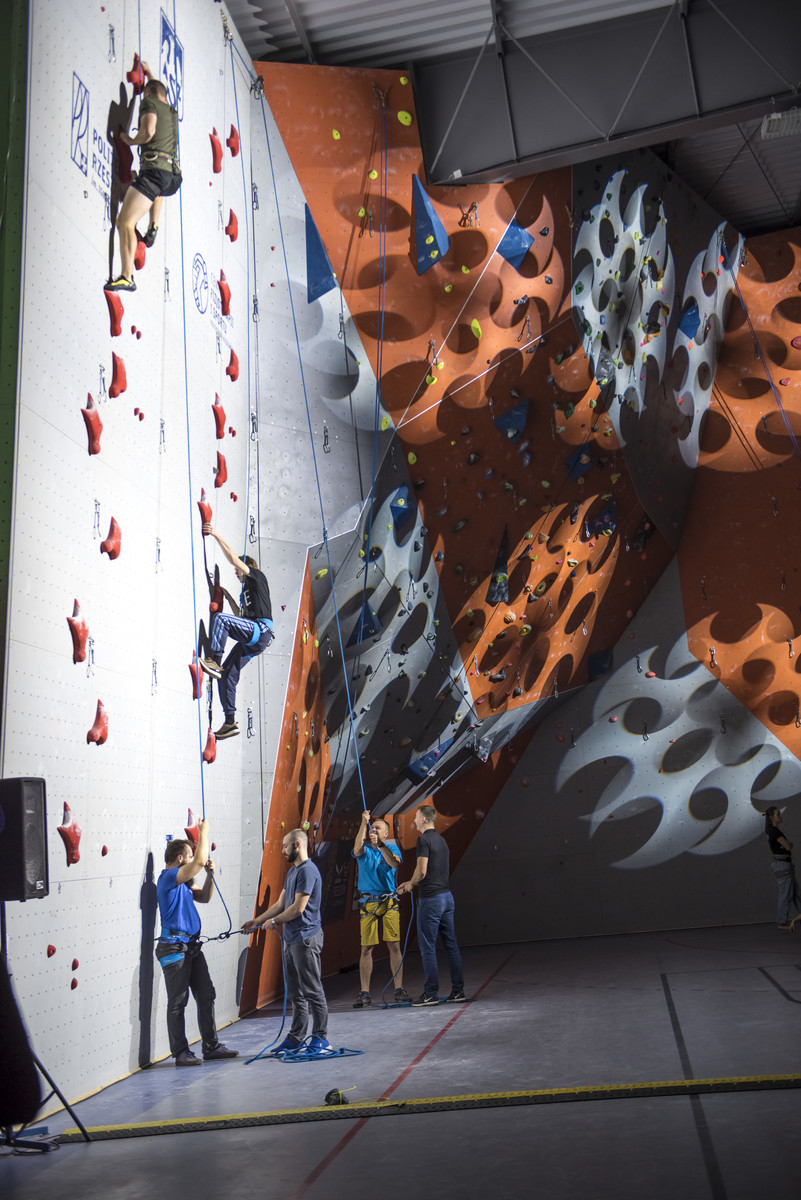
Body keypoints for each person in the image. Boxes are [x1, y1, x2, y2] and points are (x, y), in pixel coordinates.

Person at [155, 818, 238, 1066]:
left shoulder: (184, 882)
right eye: (189, 857)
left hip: (190, 947)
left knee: (206, 995)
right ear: (180, 858)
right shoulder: (168, 877)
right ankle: (181, 1052)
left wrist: (210, 876)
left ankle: (211, 1047)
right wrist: (203, 833)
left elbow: (204, 897)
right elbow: (200, 861)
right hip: (174, 948)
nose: (194, 861)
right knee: (178, 1001)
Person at [242, 828, 332, 1054]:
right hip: (291, 940)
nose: (282, 850)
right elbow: (281, 904)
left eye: (285, 846)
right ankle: (296, 1037)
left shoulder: (307, 871)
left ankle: (320, 1038)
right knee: (295, 993)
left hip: (305, 939)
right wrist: (257, 921)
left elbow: (298, 908)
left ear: (297, 845)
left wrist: (275, 921)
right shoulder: (293, 872)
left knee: (312, 990)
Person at [106, 65, 182, 292]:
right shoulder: (171, 111)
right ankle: (153, 225)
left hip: (154, 173)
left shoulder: (149, 103)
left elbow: (148, 132)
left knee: (124, 222)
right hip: (172, 177)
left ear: (148, 94)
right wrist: (149, 75)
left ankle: (126, 277)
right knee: (156, 190)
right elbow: (158, 91)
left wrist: (129, 141)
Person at [201, 523, 274, 741]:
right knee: (227, 676)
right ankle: (230, 722)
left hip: (260, 630)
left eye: (238, 571)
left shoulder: (257, 576)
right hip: (255, 639)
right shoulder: (247, 594)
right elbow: (240, 617)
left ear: (247, 566)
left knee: (221, 620)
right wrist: (227, 595)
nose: (236, 574)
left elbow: (234, 559)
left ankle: (214, 661)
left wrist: (216, 533)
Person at [397, 805, 465, 1006]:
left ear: (424, 819)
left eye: (416, 817)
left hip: (431, 900)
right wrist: (411, 881)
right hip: (446, 897)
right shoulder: (441, 840)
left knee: (427, 947)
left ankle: (430, 993)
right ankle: (458, 991)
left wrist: (410, 884)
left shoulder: (423, 840)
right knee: (450, 945)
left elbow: (422, 871)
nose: (414, 820)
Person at [352, 810, 409, 1007]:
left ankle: (399, 989)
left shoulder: (392, 848)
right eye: (372, 828)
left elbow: (393, 863)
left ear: (386, 834)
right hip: (369, 902)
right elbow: (357, 850)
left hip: (388, 901)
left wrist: (381, 845)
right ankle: (364, 992)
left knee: (394, 945)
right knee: (366, 948)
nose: (373, 830)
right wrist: (363, 823)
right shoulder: (365, 850)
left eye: (378, 828)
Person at [765, 806, 801, 931]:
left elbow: (786, 847)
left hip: (784, 865)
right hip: (782, 866)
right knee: (785, 895)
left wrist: (786, 845)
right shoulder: (774, 831)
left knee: (796, 894)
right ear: (771, 817)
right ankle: (781, 922)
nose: (780, 816)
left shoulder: (772, 831)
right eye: (778, 814)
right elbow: (788, 846)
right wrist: (789, 843)